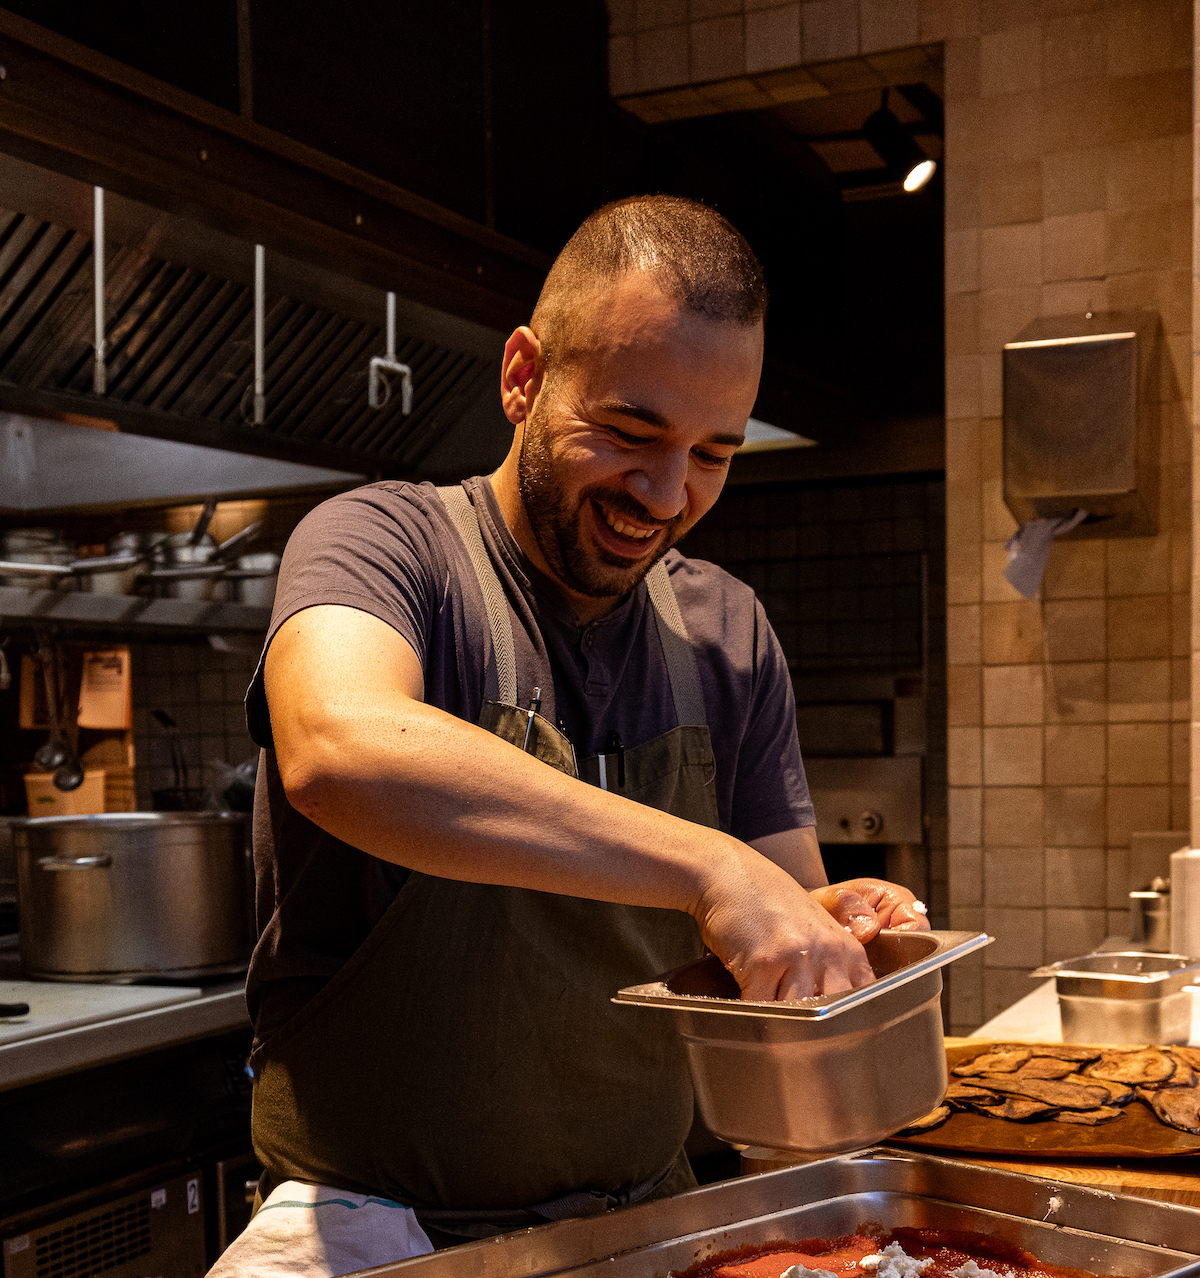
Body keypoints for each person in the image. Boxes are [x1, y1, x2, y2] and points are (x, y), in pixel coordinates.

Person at [211, 195, 927, 1275]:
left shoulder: (726, 630)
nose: (667, 493)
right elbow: (340, 747)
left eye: (714, 454)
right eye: (632, 433)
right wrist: (714, 868)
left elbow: (773, 956)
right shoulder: (386, 546)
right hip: (376, 1233)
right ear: (523, 378)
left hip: (645, 1229)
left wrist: (829, 927)